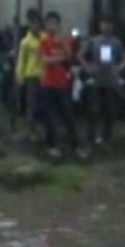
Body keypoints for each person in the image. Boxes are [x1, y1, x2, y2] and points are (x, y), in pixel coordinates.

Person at [40, 11, 85, 159]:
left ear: (59, 25)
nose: (51, 26)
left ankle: (75, 145)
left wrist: (62, 45)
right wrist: (60, 58)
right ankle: (52, 146)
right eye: (49, 23)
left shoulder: (66, 39)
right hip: (48, 83)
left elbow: (70, 56)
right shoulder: (44, 41)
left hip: (63, 83)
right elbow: (44, 60)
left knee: (68, 114)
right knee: (50, 116)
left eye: (54, 23)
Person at [79, 16, 125, 147]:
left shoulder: (117, 42)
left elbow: (124, 57)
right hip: (95, 79)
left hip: (110, 80)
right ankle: (91, 137)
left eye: (108, 24)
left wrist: (119, 68)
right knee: (93, 110)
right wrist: (87, 67)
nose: (106, 27)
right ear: (100, 25)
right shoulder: (93, 41)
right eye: (104, 24)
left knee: (110, 110)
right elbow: (81, 55)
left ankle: (106, 137)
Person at [15, 8, 44, 141]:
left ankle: (41, 127)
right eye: (33, 24)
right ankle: (31, 129)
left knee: (43, 103)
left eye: (37, 23)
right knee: (32, 104)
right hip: (31, 75)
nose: (35, 26)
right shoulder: (26, 42)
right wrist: (19, 75)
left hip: (44, 75)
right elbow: (22, 59)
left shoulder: (44, 38)